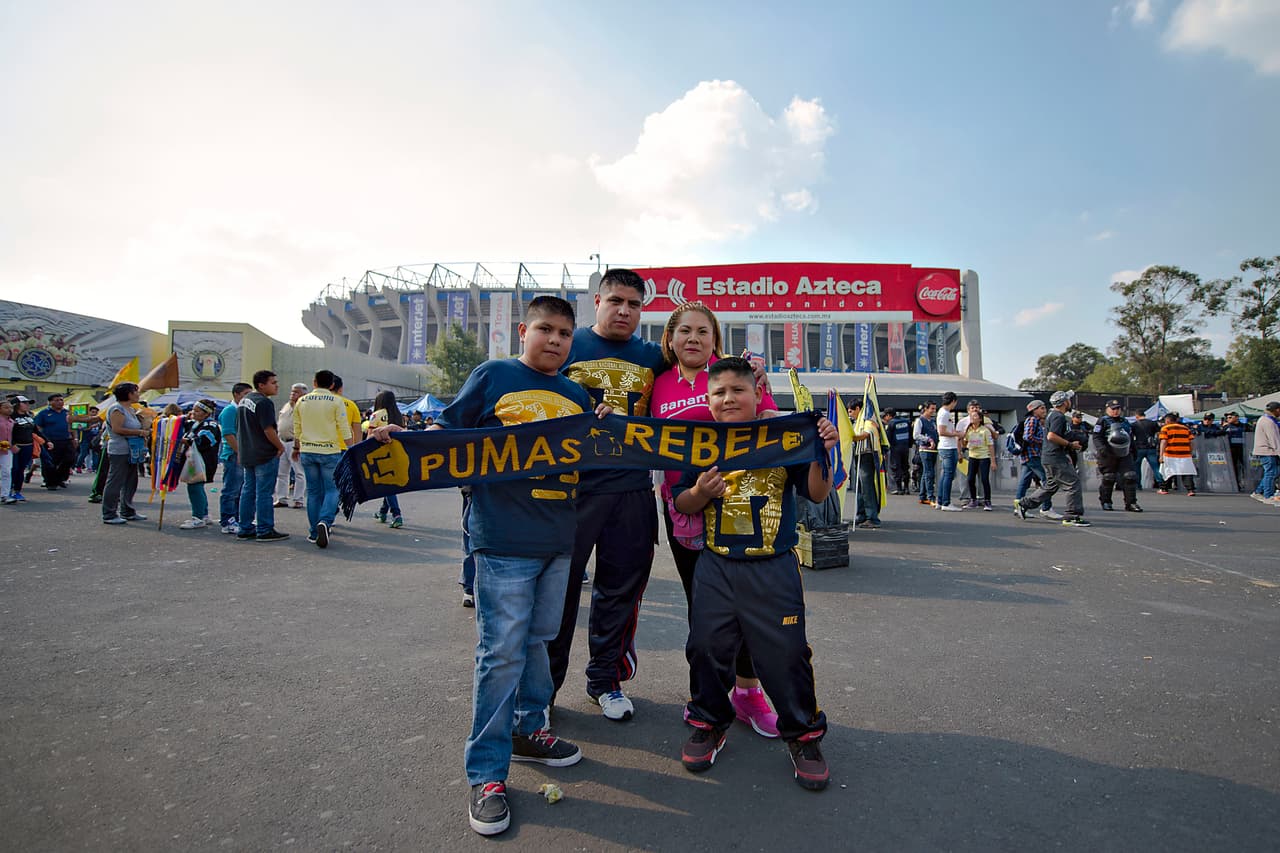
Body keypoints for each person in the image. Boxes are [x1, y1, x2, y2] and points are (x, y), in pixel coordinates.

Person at [373, 295, 606, 836]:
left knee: (539, 641)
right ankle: (487, 773)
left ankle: (529, 730)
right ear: (523, 330)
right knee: (500, 652)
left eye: (564, 334)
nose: (554, 340)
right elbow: (446, 432)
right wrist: (401, 439)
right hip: (501, 539)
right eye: (545, 329)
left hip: (558, 539)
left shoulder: (576, 394)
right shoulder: (494, 374)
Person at [673, 357, 838, 790]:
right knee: (706, 647)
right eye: (718, 393)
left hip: (773, 567)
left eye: (737, 391)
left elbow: (817, 493)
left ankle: (803, 734)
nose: (728, 399)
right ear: (707, 401)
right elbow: (682, 504)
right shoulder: (701, 443)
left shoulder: (785, 436)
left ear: (756, 394)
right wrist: (699, 491)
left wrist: (823, 451)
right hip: (717, 565)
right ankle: (709, 720)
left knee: (786, 654)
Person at [650, 300, 782, 737]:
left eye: (703, 332)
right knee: (703, 613)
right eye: (684, 331)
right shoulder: (657, 382)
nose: (693, 338)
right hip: (685, 508)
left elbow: (772, 425)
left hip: (740, 509)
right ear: (669, 339)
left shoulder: (735, 378)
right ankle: (705, 702)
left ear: (715, 340)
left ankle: (747, 693)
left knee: (744, 610)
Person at [547, 268, 667, 723]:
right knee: (558, 592)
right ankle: (545, 687)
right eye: (616, 300)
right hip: (570, 489)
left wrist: (751, 368)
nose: (624, 310)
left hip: (632, 489)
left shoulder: (656, 355)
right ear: (597, 301)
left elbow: (704, 370)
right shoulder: (566, 342)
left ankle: (605, 681)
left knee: (620, 590)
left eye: (634, 304)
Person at [291, 369, 353, 549]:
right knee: (332, 490)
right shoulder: (336, 401)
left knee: (313, 491)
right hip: (330, 451)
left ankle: (313, 531)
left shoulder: (302, 401)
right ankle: (325, 521)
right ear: (332, 385)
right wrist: (351, 448)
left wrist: (296, 447)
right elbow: (344, 427)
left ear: (314, 383)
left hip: (307, 450)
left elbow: (297, 427)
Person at [1014, 390, 1090, 526]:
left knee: (1050, 486)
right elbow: (1051, 436)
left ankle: (1024, 504)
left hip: (1049, 457)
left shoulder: (1052, 415)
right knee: (1073, 483)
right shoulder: (1058, 417)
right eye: (1068, 400)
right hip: (1055, 457)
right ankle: (1072, 516)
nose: (1070, 402)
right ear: (1064, 402)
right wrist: (1070, 444)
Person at [236, 370, 289, 542]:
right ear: (261, 384)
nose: (277, 385)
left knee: (248, 491)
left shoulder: (244, 401)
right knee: (264, 493)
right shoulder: (264, 402)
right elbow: (268, 430)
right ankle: (265, 529)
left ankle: (245, 527)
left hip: (247, 452)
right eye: (273, 382)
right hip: (263, 453)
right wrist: (279, 446)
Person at [101, 382, 148, 525]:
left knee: (130, 481)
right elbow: (117, 429)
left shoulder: (131, 410)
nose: (138, 394)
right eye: (136, 392)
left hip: (133, 450)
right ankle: (109, 513)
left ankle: (127, 510)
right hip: (119, 450)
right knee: (115, 481)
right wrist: (139, 432)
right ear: (128, 394)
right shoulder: (117, 409)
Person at [177, 400, 221, 529]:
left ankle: (198, 517)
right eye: (193, 410)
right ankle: (204, 514)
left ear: (206, 413)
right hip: (193, 460)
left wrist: (187, 441)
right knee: (196, 487)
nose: (193, 413)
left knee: (194, 487)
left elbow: (205, 441)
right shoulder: (196, 424)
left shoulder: (210, 425)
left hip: (202, 461)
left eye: (197, 411)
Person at [1014, 400, 1061, 520]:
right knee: (1047, 480)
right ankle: (1046, 508)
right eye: (1041, 408)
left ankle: (1018, 506)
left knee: (1024, 482)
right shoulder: (1033, 420)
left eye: (1044, 408)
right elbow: (1027, 437)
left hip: (1029, 456)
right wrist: (1044, 441)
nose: (1044, 410)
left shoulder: (1034, 421)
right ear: (1034, 410)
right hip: (1033, 455)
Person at [1092, 400, 1141, 512]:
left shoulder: (1125, 421)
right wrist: (1101, 448)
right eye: (1113, 409)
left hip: (1125, 453)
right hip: (1108, 453)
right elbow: (1096, 436)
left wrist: (1134, 450)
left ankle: (1131, 503)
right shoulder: (1102, 421)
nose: (1116, 411)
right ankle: (1106, 502)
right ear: (1107, 409)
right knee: (1109, 477)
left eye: (1117, 408)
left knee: (1130, 476)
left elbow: (1129, 436)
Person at [368, 389, 406, 528]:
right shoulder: (399, 416)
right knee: (389, 482)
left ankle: (397, 514)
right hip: (397, 452)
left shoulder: (376, 415)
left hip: (381, 454)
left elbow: (369, 436)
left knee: (387, 485)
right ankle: (382, 512)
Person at [218, 383, 252, 534]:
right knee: (231, 490)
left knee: (240, 490)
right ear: (237, 394)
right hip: (233, 455)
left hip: (242, 454)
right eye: (246, 394)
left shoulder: (242, 410)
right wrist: (240, 453)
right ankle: (227, 520)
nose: (248, 397)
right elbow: (228, 434)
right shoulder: (230, 411)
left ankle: (238, 517)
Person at [848, 399, 885, 528]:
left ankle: (872, 517)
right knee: (859, 487)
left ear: (858, 409)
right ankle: (862, 514)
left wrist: (851, 437)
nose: (850, 414)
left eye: (851, 411)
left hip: (867, 456)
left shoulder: (868, 421)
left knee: (867, 488)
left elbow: (865, 435)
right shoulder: (858, 422)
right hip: (860, 456)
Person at [274, 382, 308, 509]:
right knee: (282, 472)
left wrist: (298, 446)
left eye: (296, 392)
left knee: (299, 472)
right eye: (292, 391)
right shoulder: (286, 406)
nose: (293, 394)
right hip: (282, 440)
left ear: (304, 394)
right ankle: (281, 498)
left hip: (295, 441)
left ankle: (298, 498)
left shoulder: (304, 407)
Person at [957, 401, 996, 510]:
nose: (973, 417)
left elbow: (991, 445)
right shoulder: (968, 429)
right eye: (972, 415)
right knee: (969, 479)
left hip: (984, 457)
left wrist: (993, 461)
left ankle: (987, 501)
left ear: (980, 419)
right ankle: (972, 500)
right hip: (972, 456)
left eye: (976, 415)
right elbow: (963, 442)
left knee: (984, 479)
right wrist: (963, 441)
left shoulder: (985, 430)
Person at [935, 391, 962, 511]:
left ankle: (940, 501)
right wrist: (956, 433)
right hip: (947, 447)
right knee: (948, 475)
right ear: (953, 401)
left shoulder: (944, 412)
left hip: (947, 447)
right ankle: (946, 502)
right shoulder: (944, 413)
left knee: (945, 475)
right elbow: (941, 431)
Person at [7, 396, 37, 503]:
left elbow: (36, 430)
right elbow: (6, 433)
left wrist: (47, 441)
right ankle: (7, 491)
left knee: (21, 470)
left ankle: (17, 491)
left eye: (28, 403)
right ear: (16, 404)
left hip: (28, 446)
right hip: (14, 447)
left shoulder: (29, 417)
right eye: (24, 403)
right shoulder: (10, 417)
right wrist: (13, 444)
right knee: (13, 469)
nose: (27, 405)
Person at [1158, 412, 1197, 496]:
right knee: (1186, 472)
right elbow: (1191, 442)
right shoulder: (1186, 428)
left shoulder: (1165, 428)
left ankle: (1164, 488)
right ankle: (1190, 490)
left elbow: (1163, 442)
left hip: (1170, 454)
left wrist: (1161, 455)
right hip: (1185, 454)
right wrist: (1190, 451)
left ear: (1168, 420)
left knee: (1167, 472)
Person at [1250, 401, 1279, 503]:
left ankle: (1258, 491)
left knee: (1273, 472)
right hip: (1268, 451)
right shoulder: (1269, 422)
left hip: (1266, 450)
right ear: (1276, 410)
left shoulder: (1264, 419)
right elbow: (1274, 439)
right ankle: (1268, 495)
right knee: (1271, 473)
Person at [913, 401, 938, 506]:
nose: (933, 411)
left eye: (934, 409)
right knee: (929, 473)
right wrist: (928, 439)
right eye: (932, 408)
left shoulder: (932, 421)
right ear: (926, 409)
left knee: (925, 473)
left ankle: (922, 496)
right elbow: (916, 435)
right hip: (925, 449)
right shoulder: (920, 420)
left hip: (933, 450)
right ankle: (930, 496)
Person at [1131, 409, 1162, 491]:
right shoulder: (1153, 423)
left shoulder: (1134, 425)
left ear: (1137, 416)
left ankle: (1138, 485)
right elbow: (1159, 433)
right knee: (1155, 467)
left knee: (1137, 467)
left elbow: (1131, 436)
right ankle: (1161, 483)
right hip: (1151, 448)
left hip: (1139, 448)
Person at [884, 408, 912, 494]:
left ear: (889, 415)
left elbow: (887, 437)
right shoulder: (906, 422)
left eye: (885, 416)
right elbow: (910, 435)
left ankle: (899, 488)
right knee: (905, 467)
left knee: (896, 468)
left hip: (895, 449)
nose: (885, 418)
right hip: (905, 448)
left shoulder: (891, 423)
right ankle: (907, 488)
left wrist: (886, 449)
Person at [331, 375, 362, 448]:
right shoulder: (351, 405)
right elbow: (357, 431)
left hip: (318, 448)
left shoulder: (315, 403)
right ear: (340, 389)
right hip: (343, 447)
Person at [1222, 412, 1247, 491]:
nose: (1228, 419)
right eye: (1227, 418)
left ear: (1236, 417)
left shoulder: (1245, 426)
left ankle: (1247, 483)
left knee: (1246, 467)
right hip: (1231, 450)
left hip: (1243, 449)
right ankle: (1236, 484)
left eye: (1230, 417)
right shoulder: (1226, 427)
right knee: (1233, 467)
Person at [0, 399, 14, 504]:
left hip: (7, 450)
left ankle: (4, 495)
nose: (9, 409)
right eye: (6, 407)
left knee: (7, 472)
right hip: (1, 447)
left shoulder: (12, 422)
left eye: (11, 407)